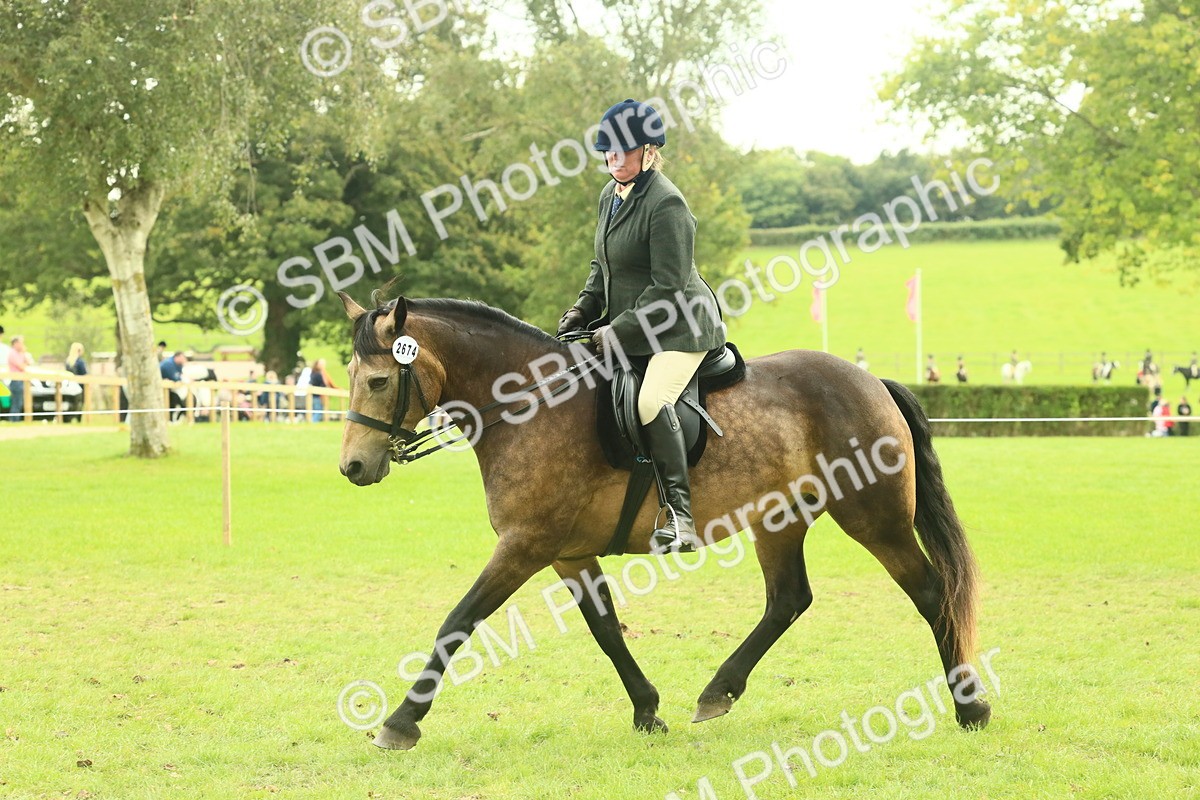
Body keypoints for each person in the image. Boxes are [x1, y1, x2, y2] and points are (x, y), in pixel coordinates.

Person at [557, 99, 726, 553]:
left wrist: (620, 331)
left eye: (622, 150)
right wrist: (583, 309)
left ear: (649, 151)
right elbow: (604, 266)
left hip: (680, 326)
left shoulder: (667, 203)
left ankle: (681, 517)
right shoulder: (609, 196)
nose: (613, 158)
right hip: (636, 323)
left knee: (651, 399)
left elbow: (668, 287)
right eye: (607, 150)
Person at [6, 335, 34, 422]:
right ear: (15, 343)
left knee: (19, 402)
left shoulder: (20, 354)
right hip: (16, 381)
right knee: (16, 401)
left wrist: (24, 353)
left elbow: (29, 362)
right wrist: (25, 363)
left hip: (21, 380)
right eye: (20, 343)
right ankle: (14, 420)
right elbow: (21, 366)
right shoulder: (13, 353)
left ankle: (16, 420)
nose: (22, 345)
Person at [159, 351, 188, 421]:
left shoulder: (178, 365)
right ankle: (170, 419)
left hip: (170, 389)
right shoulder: (168, 364)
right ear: (177, 357)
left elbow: (180, 375)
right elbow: (175, 378)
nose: (184, 360)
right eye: (182, 358)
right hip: (161, 390)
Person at [309, 358, 337, 422]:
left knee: (317, 409)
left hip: (317, 395)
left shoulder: (316, 373)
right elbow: (323, 384)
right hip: (317, 395)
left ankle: (313, 421)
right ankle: (313, 422)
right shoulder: (317, 374)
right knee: (318, 410)